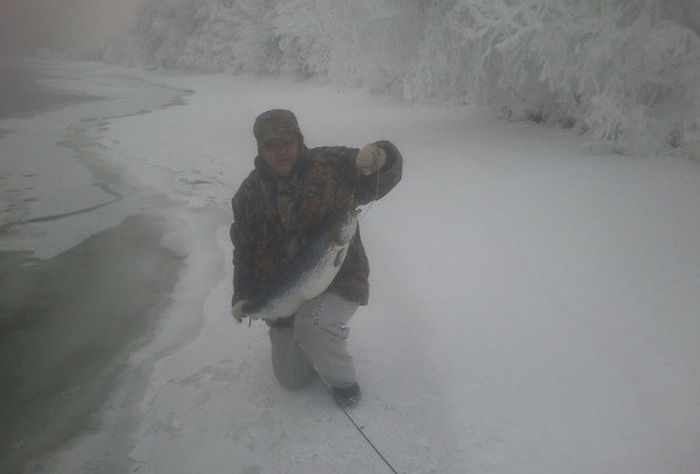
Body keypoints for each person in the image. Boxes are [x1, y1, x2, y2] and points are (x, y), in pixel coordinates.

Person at [230, 109, 402, 406]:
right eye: (272, 145)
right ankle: (295, 330)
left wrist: (382, 154)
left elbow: (380, 177)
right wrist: (243, 295)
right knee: (293, 379)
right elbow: (244, 250)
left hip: (341, 277)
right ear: (260, 148)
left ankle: (343, 384)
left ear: (299, 139)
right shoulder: (248, 194)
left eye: (287, 142)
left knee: (315, 326)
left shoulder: (332, 164)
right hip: (285, 289)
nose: (281, 151)